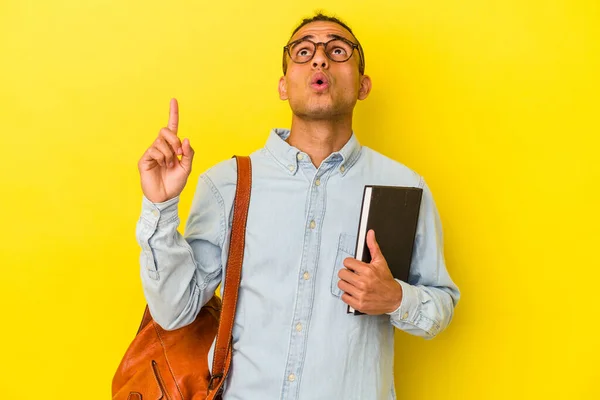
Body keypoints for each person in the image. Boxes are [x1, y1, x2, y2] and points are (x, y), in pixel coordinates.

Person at [136, 13, 460, 400]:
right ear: (283, 86)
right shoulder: (229, 183)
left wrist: (395, 298)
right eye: (303, 51)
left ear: (363, 85)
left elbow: (441, 303)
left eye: (337, 50)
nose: (319, 59)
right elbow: (175, 310)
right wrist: (160, 206)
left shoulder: (402, 187)